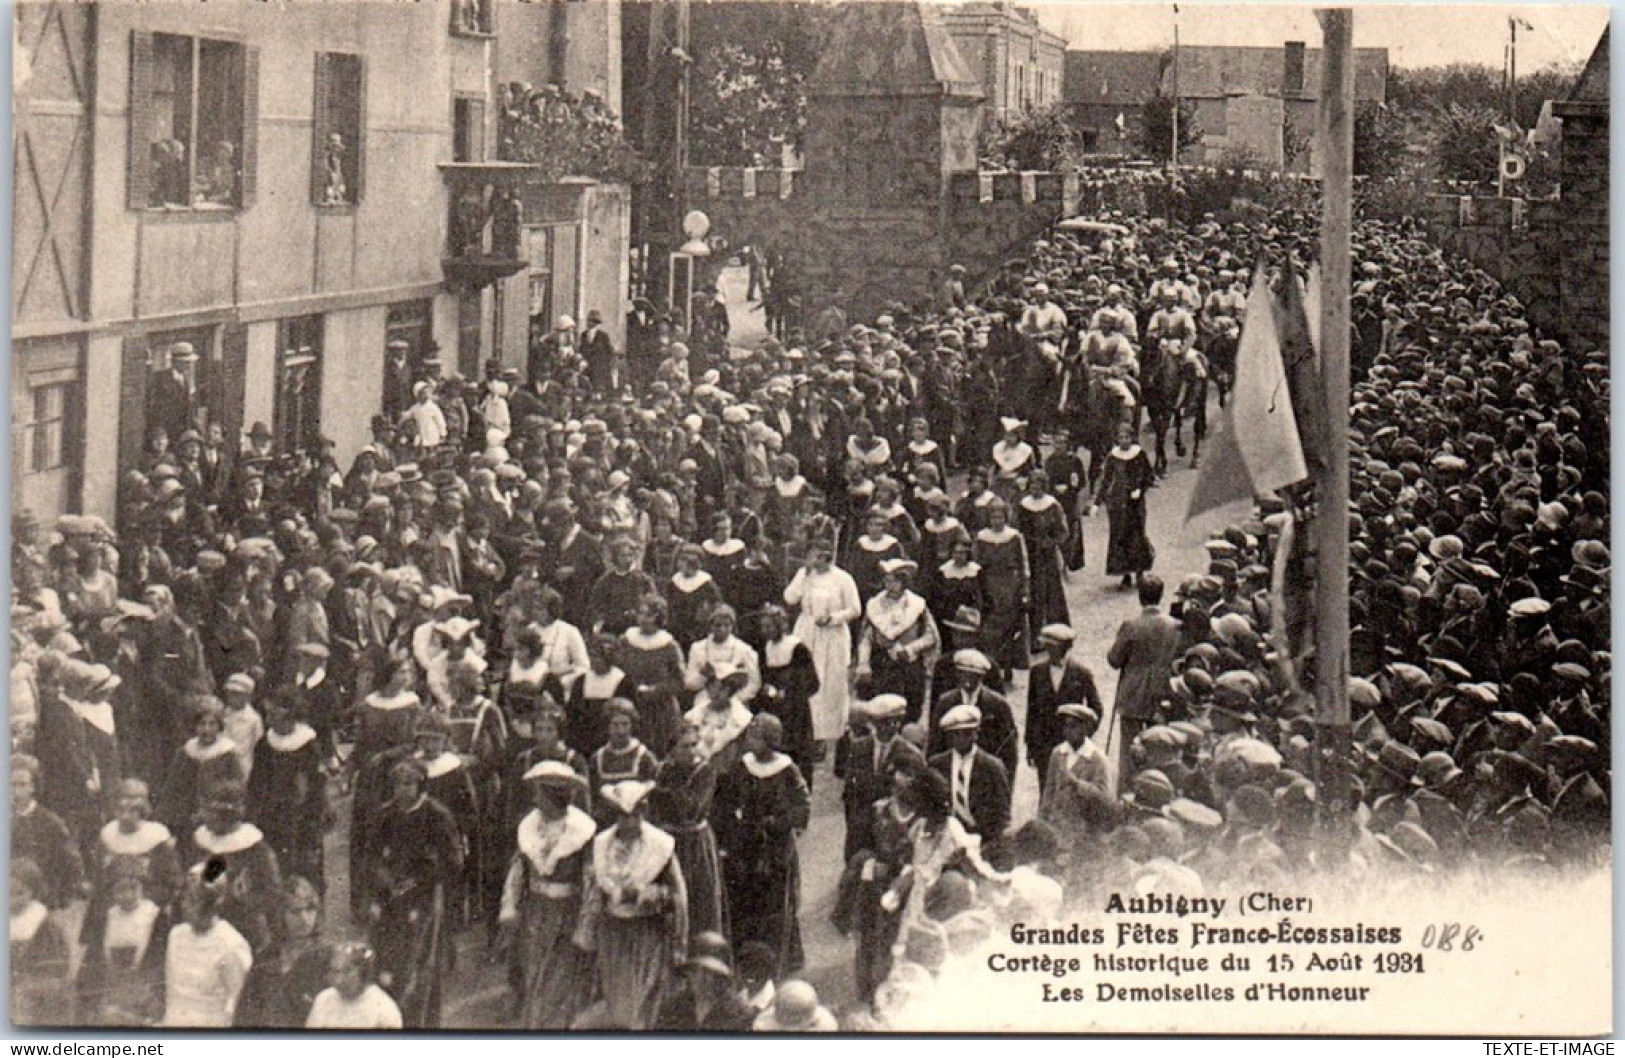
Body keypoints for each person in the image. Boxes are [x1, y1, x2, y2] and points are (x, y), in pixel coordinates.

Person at [573, 780, 689, 1031]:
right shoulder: (602, 844)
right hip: (613, 932)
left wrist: (651, 894)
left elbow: (678, 896)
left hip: (647, 931)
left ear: (644, 812)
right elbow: (594, 889)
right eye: (623, 816)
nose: (629, 822)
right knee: (616, 998)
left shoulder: (660, 846)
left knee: (642, 999)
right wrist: (588, 931)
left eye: (635, 815)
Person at [361, 758, 464, 1028]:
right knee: (385, 960)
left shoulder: (437, 815)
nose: (402, 790)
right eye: (397, 784)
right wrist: (382, 877)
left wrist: (417, 881)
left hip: (424, 901)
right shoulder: (385, 814)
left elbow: (453, 861)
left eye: (408, 784)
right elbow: (370, 854)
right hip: (388, 900)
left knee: (420, 963)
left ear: (420, 786)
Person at [498, 760, 594, 1029]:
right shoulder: (530, 826)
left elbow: (591, 883)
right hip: (534, 914)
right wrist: (510, 906)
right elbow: (518, 871)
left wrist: (585, 927)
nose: (536, 799)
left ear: (555, 796)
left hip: (566, 915)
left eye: (541, 794)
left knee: (559, 984)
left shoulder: (581, 831)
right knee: (534, 980)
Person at [714, 714, 810, 976]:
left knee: (775, 904)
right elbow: (728, 800)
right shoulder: (743, 766)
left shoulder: (787, 770)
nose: (750, 742)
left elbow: (801, 806)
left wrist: (777, 823)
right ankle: (749, 958)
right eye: (750, 736)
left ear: (771, 741)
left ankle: (778, 960)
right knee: (746, 899)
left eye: (756, 737)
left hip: (775, 848)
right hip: (746, 845)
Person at [647, 722, 729, 939]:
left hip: (694, 843)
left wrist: (664, 793)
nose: (691, 751)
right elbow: (651, 806)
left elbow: (691, 809)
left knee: (698, 899)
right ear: (672, 749)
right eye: (684, 746)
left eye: (694, 745)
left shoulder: (705, 771)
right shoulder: (661, 770)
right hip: (666, 841)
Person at [783, 536, 861, 756]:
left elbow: (855, 609)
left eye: (821, 556)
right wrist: (804, 574)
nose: (817, 560)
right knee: (807, 680)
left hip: (832, 636)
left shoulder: (843, 579)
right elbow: (789, 598)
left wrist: (833, 617)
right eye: (813, 555)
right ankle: (805, 732)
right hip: (807, 631)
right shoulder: (804, 575)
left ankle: (824, 736)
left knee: (828, 683)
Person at [163, 865, 254, 1027]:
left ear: (213, 904)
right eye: (184, 898)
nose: (184, 905)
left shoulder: (231, 944)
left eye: (193, 900)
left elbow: (233, 1006)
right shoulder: (176, 935)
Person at [236, 876, 332, 1028]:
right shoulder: (267, 957)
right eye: (295, 912)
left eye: (310, 910)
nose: (305, 919)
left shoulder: (327, 957)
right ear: (280, 914)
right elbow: (246, 1013)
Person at [855, 558, 940, 724]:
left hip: (908, 664)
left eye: (894, 581)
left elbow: (931, 636)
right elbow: (866, 637)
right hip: (882, 663)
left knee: (909, 709)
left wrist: (911, 649)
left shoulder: (917, 605)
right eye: (886, 581)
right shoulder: (875, 604)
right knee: (882, 708)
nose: (889, 585)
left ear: (903, 582)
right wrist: (863, 663)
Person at [928, 705, 1012, 869]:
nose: (961, 739)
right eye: (955, 734)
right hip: (946, 841)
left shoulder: (992, 767)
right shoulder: (937, 764)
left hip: (983, 842)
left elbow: (1002, 815)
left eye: (967, 733)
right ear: (949, 737)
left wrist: (987, 847)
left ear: (976, 734)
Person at [1107, 575, 1182, 751]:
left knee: (1130, 747)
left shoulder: (1131, 626)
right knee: (1158, 745)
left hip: (1133, 693)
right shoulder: (1175, 626)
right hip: (1163, 690)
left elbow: (1114, 660)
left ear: (1140, 597)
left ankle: (1128, 778)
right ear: (1161, 596)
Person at [1024, 624, 1103, 791]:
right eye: (1047, 647)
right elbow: (1032, 709)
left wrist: (1083, 734)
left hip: (1071, 744)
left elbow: (1096, 708)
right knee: (1046, 789)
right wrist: (1030, 745)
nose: (1049, 652)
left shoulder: (1081, 673)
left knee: (1070, 790)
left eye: (1053, 648)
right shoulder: (1037, 672)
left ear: (1065, 648)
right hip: (1044, 744)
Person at [928, 649, 1019, 783]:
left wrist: (1005, 784)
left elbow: (1009, 751)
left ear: (981, 677)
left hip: (986, 778)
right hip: (951, 776)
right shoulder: (945, 702)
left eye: (974, 676)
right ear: (957, 675)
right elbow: (935, 744)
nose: (968, 680)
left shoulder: (997, 705)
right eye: (963, 674)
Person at [756, 604, 820, 786]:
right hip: (775, 709)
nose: (766, 631)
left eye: (770, 626)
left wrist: (788, 693)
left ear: (780, 625)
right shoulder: (766, 648)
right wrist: (768, 690)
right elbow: (765, 677)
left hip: (795, 710)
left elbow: (812, 683)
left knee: (798, 750)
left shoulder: (797, 647)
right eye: (764, 627)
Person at [973, 497, 1030, 675]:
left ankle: (1008, 665)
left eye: (1000, 517)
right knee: (990, 628)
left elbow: (1023, 563)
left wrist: (1024, 587)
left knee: (1010, 626)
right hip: (989, 584)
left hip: (1010, 585)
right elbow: (976, 563)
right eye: (993, 517)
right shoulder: (982, 537)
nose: (997, 521)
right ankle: (992, 664)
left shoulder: (1014, 537)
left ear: (1006, 517)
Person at [654, 931, 757, 1030]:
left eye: (710, 973)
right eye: (696, 971)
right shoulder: (672, 1010)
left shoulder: (739, 1015)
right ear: (688, 972)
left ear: (721, 976)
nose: (703, 979)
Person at [1039, 704, 1115, 837]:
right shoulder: (1058, 753)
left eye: (1073, 726)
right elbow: (1049, 791)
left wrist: (1076, 783)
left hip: (1082, 831)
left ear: (1086, 729)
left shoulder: (1097, 759)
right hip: (1056, 826)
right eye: (1065, 726)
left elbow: (1105, 798)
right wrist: (1042, 820)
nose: (1067, 731)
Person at [11, 859, 71, 1026]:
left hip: (36, 992)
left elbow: (56, 965)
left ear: (33, 892)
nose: (11, 900)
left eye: (19, 893)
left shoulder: (44, 924)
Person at [1097, 420, 1156, 588]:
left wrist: (1140, 489)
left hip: (1135, 504)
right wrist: (1097, 502)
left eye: (1126, 437)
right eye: (1121, 437)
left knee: (1136, 535)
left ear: (1132, 438)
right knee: (1120, 536)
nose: (1124, 440)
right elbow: (1106, 480)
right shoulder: (1113, 457)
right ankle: (1125, 574)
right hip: (1118, 502)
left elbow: (1148, 477)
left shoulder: (1139, 455)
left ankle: (1139, 571)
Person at [1015, 470, 1073, 630]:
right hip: (1030, 553)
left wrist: (1052, 542)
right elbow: (1018, 529)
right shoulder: (1023, 506)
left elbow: (1063, 531)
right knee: (1033, 589)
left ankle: (1055, 626)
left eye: (1038, 487)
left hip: (1048, 555)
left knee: (1051, 590)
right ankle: (1034, 631)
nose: (1035, 490)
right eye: (1032, 486)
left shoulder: (1052, 505)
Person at [305, 943, 404, 1030]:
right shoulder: (323, 999)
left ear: (363, 972)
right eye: (334, 971)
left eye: (347, 971)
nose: (338, 980)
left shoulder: (384, 1010)